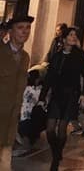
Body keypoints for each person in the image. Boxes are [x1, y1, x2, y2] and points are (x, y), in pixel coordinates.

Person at [40, 25, 84, 171]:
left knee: (62, 128)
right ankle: (56, 151)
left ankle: (56, 159)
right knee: (50, 128)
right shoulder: (56, 56)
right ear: (64, 38)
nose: (73, 37)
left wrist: (83, 94)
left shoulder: (80, 55)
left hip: (71, 95)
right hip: (57, 94)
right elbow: (49, 78)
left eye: (75, 35)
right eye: (70, 35)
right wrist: (42, 97)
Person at [0, 11, 33, 167]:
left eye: (27, 28)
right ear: (10, 31)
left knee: (6, 159)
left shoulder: (25, 57)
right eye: (20, 27)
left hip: (11, 119)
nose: (25, 31)